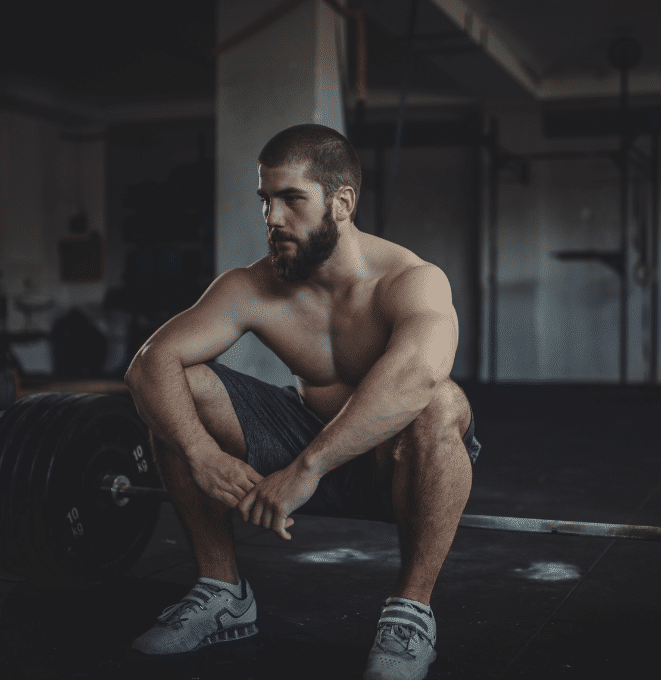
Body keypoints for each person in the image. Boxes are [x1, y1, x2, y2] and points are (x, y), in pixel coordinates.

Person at [123, 123, 481, 680]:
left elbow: (416, 378)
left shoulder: (411, 281)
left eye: (291, 199)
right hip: (302, 431)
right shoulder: (254, 285)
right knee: (177, 391)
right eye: (266, 199)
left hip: (393, 457)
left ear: (342, 203)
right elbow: (150, 362)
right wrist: (202, 453)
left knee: (440, 405)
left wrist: (308, 468)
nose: (272, 218)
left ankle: (410, 612)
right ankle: (222, 592)